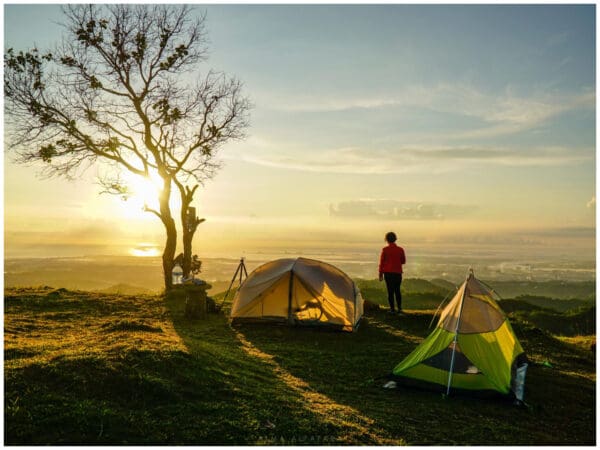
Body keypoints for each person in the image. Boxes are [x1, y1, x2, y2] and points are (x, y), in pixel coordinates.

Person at [378, 231, 406, 314]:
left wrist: (380, 274)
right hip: (398, 273)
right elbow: (403, 261)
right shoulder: (400, 249)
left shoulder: (385, 250)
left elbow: (382, 263)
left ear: (386, 240)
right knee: (397, 291)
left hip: (388, 273)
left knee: (390, 292)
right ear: (395, 239)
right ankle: (399, 309)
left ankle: (392, 309)